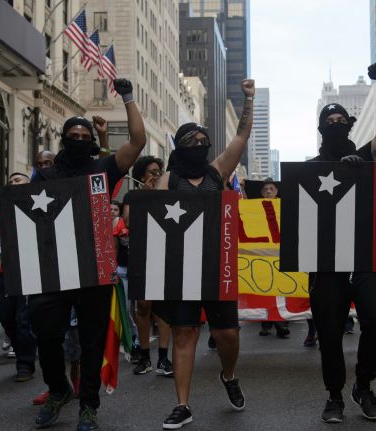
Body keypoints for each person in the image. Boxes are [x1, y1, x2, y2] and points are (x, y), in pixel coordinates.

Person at [131, 79, 255, 429]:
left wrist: (249, 99)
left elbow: (241, 138)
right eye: (192, 142)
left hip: (216, 267)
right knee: (185, 333)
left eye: (204, 142)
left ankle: (228, 375)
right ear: (179, 147)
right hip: (181, 269)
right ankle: (182, 405)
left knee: (228, 335)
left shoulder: (217, 172)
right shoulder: (168, 179)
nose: (199, 146)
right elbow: (150, 224)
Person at [28, 78, 146, 431]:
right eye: (73, 136)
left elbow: (138, 141)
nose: (80, 140)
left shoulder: (103, 170)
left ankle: (88, 407)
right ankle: (58, 389)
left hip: (94, 267)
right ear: (63, 140)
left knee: (92, 342)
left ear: (91, 142)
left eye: (85, 137)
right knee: (46, 332)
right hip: (53, 269)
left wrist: (127, 97)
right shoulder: (44, 175)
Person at [308, 61, 376, 424]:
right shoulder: (309, 169)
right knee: (329, 331)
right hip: (326, 261)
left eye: (341, 120)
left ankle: (363, 384)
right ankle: (334, 395)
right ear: (320, 130)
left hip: (363, 255)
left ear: (349, 125)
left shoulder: (365, 157)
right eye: (329, 122)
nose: (336, 126)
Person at [123, 156, 174, 377]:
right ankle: (145, 356)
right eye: (152, 172)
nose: (156, 175)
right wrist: (144, 196)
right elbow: (127, 222)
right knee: (143, 305)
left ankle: (163, 357)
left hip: (163, 252)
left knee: (163, 305)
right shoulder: (132, 196)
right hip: (140, 254)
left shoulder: (168, 195)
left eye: (159, 171)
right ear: (141, 175)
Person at [0, 172, 39, 384]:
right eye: (10, 181)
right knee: (4, 313)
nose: (13, 183)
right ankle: (23, 348)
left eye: (18, 180)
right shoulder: (3, 209)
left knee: (23, 319)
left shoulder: (37, 207)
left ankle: (25, 362)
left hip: (29, 270)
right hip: (7, 271)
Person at [257, 178, 291, 339]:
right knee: (265, 289)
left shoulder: (285, 206)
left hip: (280, 254)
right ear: (261, 193)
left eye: (271, 188)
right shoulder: (255, 208)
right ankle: (271, 324)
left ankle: (277, 322)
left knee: (279, 289)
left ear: (277, 191)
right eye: (265, 189)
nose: (268, 191)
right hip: (262, 255)